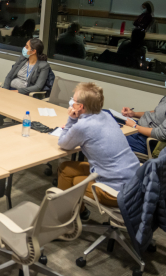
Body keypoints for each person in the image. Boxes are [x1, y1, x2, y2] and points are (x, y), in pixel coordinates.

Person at [57, 82, 140, 219]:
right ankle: (79, 212)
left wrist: (72, 119)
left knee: (73, 183)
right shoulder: (106, 115)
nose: (71, 101)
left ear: (80, 106)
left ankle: (65, 220)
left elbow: (63, 143)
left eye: (74, 99)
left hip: (117, 191)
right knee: (66, 169)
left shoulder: (83, 126)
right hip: (134, 181)